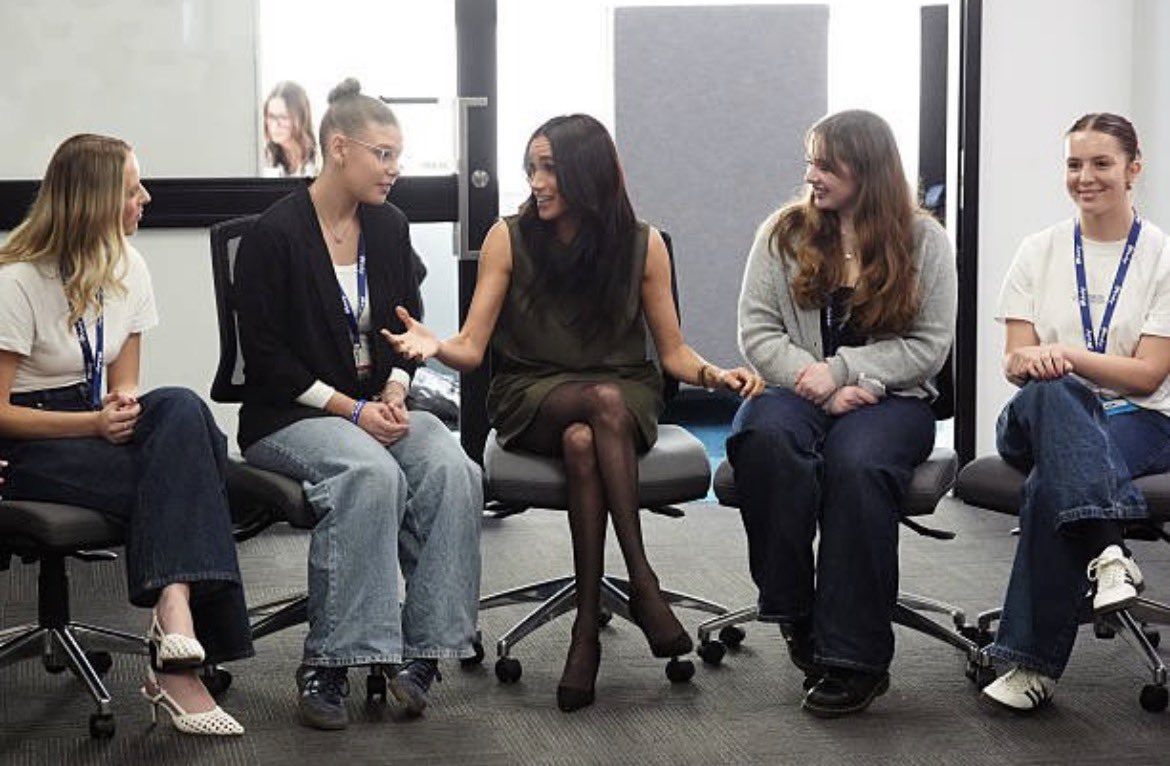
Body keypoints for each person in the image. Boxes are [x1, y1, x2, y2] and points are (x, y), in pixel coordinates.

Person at [386, 113, 764, 713]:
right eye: (532, 168)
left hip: (621, 393)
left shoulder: (644, 245)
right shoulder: (509, 238)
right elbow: (472, 348)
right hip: (531, 395)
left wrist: (715, 374)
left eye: (550, 168)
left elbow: (670, 353)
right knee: (598, 405)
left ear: (587, 175)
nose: (536, 181)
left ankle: (585, 628)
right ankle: (643, 582)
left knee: (589, 435)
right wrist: (435, 346)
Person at [234, 78, 482, 731]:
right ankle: (331, 661)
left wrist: (397, 390)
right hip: (291, 415)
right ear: (339, 148)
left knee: (455, 469)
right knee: (368, 474)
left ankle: (423, 652)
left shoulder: (389, 226)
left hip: (376, 405)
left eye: (398, 156)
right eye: (384, 154)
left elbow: (407, 329)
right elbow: (267, 360)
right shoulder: (274, 235)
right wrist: (353, 410)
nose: (395, 170)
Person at [0, 134, 250, 736]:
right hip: (28, 441)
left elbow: (127, 386)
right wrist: (92, 423)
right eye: (132, 187)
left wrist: (117, 411)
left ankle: (174, 614)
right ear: (93, 201)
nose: (146, 197)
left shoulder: (130, 267)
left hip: (93, 423)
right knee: (198, 468)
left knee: (182, 410)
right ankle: (178, 656)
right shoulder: (16, 279)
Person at [728, 109, 956, 718]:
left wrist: (847, 371)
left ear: (870, 170)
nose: (812, 175)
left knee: (857, 464)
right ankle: (796, 609)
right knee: (764, 435)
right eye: (810, 160)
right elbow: (757, 331)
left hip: (894, 400)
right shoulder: (783, 233)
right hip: (798, 391)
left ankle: (855, 659)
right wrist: (823, 388)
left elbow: (929, 347)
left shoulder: (923, 241)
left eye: (827, 164)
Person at [980, 113, 1170, 712]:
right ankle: (1108, 552)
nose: (1085, 177)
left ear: (1133, 169)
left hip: (1139, 417)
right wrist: (1036, 365)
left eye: (1101, 163)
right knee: (1054, 391)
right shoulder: (1039, 251)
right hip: (1036, 415)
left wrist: (1066, 354)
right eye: (1073, 164)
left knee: (1050, 481)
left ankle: (1031, 667)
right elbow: (1016, 362)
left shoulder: (1163, 257)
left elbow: (1148, 375)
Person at [262, 81, 318, 178]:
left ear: (300, 118)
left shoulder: (320, 159)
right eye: (271, 116)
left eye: (283, 117)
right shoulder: (264, 159)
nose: (275, 124)